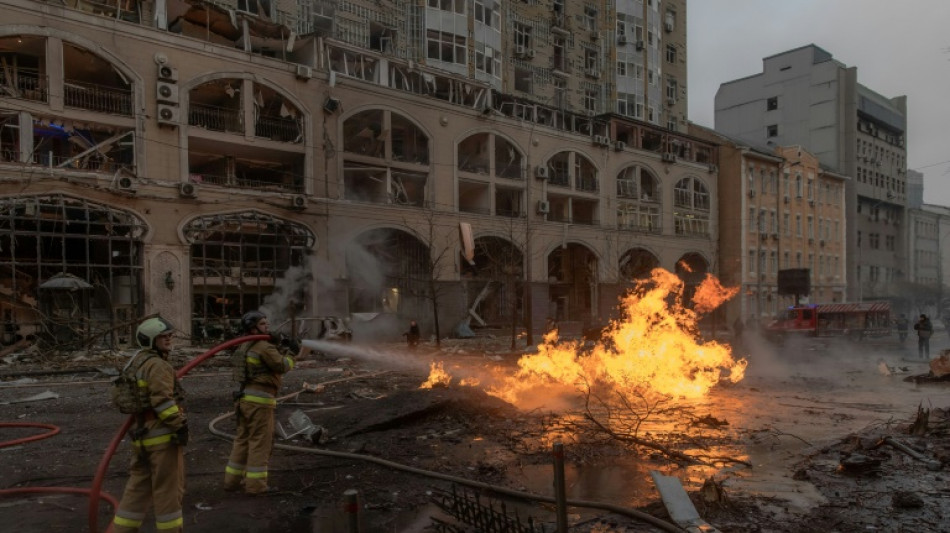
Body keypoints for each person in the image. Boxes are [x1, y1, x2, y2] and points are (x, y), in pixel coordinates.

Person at [112, 317, 188, 533]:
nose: (169, 339)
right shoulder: (158, 365)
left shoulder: (136, 362)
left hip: (142, 435)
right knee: (168, 490)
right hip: (162, 437)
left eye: (170, 335)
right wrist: (179, 425)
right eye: (164, 336)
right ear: (151, 340)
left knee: (138, 488)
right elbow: (162, 401)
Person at [224, 310, 308, 495]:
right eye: (263, 324)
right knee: (260, 442)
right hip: (260, 402)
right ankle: (255, 485)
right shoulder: (263, 346)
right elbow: (282, 366)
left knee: (242, 440)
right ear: (253, 328)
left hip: (244, 400)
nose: (267, 327)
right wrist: (292, 352)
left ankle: (231, 481)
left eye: (267, 323)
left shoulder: (244, 346)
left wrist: (278, 345)